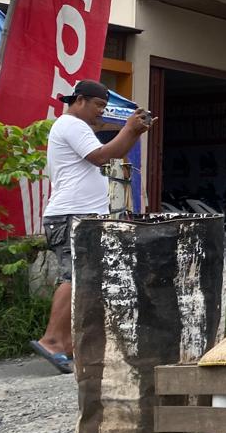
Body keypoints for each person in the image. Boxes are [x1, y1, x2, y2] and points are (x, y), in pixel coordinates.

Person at [31, 79, 154, 374]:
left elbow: (111, 152)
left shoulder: (77, 127)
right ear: (80, 100)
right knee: (75, 276)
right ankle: (52, 340)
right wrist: (129, 129)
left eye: (104, 106)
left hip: (81, 214)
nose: (101, 111)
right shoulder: (71, 124)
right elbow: (100, 156)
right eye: (98, 105)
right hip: (71, 214)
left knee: (85, 279)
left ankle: (68, 344)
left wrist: (134, 131)